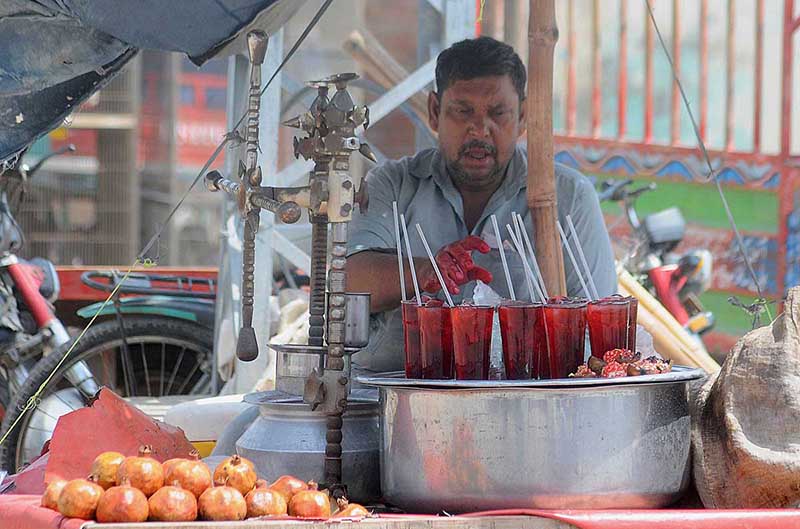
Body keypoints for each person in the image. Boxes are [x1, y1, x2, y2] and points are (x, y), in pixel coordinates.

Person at [346, 36, 616, 375]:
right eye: (462, 111)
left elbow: (602, 325)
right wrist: (428, 271)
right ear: (434, 112)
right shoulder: (393, 185)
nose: (479, 130)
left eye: (497, 113)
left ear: (522, 117)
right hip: (393, 396)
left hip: (526, 405)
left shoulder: (569, 197)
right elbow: (348, 281)